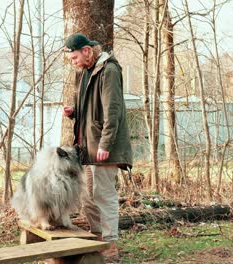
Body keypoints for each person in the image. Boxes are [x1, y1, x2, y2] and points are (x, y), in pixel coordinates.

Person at [62, 33, 133, 262]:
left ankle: (110, 248)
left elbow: (113, 111)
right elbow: (93, 111)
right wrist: (75, 113)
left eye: (74, 57)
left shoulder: (109, 70)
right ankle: (97, 241)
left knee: (104, 196)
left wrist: (106, 144)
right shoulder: (86, 72)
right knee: (87, 197)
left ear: (86, 51)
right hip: (87, 147)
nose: (73, 62)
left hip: (104, 146)